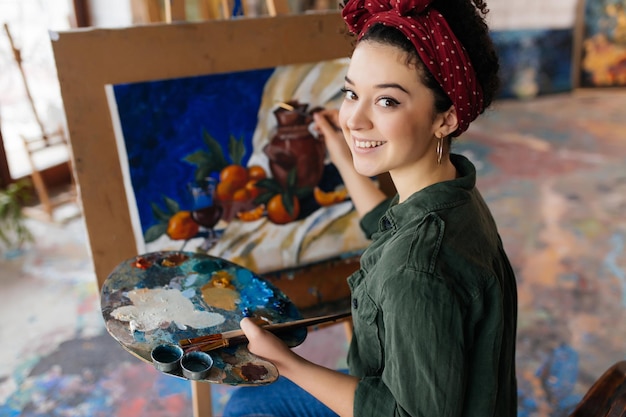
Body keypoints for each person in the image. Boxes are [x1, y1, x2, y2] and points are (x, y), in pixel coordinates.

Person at [223, 0, 518, 415]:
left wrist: (286, 362)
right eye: (351, 93)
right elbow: (385, 223)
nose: (353, 120)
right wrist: (344, 155)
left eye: (387, 102)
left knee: (245, 409)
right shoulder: (452, 192)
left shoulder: (415, 269)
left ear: (446, 118)